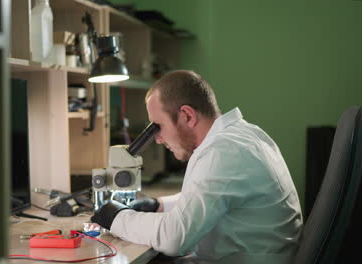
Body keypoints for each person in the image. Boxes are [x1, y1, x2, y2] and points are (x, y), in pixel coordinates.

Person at [91, 70, 303, 264]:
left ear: (187, 116)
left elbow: (175, 237)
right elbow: (211, 198)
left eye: (159, 126)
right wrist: (158, 205)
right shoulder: (242, 135)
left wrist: (117, 218)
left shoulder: (222, 152)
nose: (157, 139)